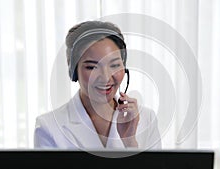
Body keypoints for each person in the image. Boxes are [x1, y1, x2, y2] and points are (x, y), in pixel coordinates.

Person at [33, 20, 162, 150]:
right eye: (92, 67)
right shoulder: (48, 127)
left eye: (115, 65)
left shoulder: (147, 119)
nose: (106, 77)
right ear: (73, 69)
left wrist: (130, 143)